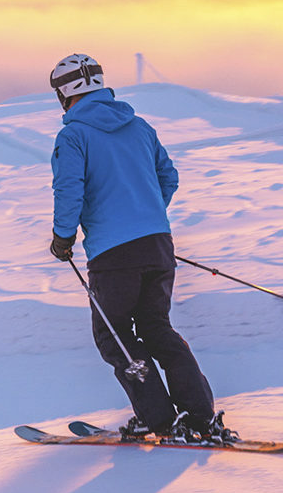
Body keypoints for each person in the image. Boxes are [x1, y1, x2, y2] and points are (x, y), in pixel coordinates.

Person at [47, 53, 236, 443]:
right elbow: (168, 177)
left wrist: (63, 238)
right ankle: (199, 415)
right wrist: (144, 218)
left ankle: (159, 419)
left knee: (115, 337)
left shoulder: (73, 136)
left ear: (65, 93)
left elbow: (70, 191)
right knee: (156, 327)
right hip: (157, 245)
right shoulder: (140, 127)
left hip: (113, 256)